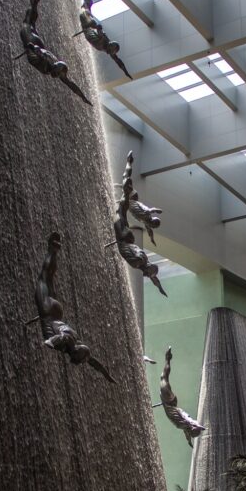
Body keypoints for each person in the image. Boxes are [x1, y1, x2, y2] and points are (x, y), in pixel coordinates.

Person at [34, 232, 115, 382]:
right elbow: (64, 339)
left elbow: (92, 361)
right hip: (48, 311)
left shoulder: (73, 342)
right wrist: (49, 342)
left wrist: (106, 374)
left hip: (55, 312)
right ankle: (52, 250)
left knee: (47, 277)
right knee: (45, 277)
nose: (86, 361)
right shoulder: (71, 344)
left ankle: (53, 251)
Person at [19, 0, 91, 105]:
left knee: (29, 24)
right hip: (34, 44)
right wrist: (33, 48)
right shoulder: (51, 64)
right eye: (57, 72)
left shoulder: (53, 69)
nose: (57, 75)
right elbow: (41, 53)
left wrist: (83, 97)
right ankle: (34, 2)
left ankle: (34, 3)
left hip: (33, 44)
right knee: (30, 24)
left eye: (58, 74)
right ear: (56, 67)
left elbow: (71, 84)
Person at [113, 153, 167, 296]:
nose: (151, 266)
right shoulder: (143, 263)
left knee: (122, 203)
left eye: (151, 268)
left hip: (123, 236)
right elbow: (154, 278)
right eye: (152, 267)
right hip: (125, 234)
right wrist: (160, 288)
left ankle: (128, 163)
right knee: (125, 192)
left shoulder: (140, 262)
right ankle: (128, 164)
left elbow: (151, 275)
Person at [74, 0, 132, 79]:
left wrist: (126, 72)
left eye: (111, 45)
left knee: (86, 7)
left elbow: (119, 61)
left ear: (111, 49)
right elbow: (119, 61)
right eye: (112, 43)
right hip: (88, 25)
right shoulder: (106, 43)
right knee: (87, 7)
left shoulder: (105, 44)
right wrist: (126, 72)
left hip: (87, 25)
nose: (110, 43)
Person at [159, 346, 204, 447]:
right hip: (169, 401)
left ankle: (168, 358)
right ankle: (168, 358)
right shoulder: (185, 423)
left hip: (171, 403)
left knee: (164, 377)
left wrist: (189, 441)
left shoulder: (185, 426)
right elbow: (188, 419)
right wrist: (197, 426)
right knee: (163, 377)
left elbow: (187, 431)